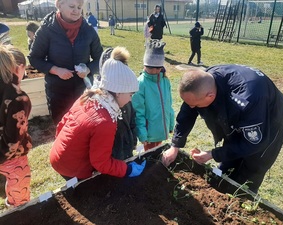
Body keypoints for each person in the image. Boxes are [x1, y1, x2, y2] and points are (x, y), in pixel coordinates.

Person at [162, 65, 283, 193]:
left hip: (269, 122)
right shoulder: (200, 83)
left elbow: (254, 143)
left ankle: (243, 197)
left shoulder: (246, 99)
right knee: (227, 163)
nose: (192, 106)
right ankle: (220, 188)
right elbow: (187, 113)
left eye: (195, 104)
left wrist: (213, 154)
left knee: (251, 170)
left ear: (210, 96)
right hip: (242, 113)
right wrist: (175, 145)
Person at [50, 46, 146, 180]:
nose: (131, 99)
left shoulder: (90, 96)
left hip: (58, 154)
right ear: (118, 92)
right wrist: (127, 169)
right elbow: (101, 163)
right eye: (130, 94)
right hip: (72, 167)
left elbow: (63, 123)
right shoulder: (105, 121)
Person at [28, 0, 103, 125]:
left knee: (83, 128)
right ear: (59, 5)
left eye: (79, 7)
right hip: (58, 92)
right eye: (72, 6)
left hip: (83, 90)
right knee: (62, 127)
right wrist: (55, 70)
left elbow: (100, 58)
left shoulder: (88, 30)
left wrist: (88, 69)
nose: (76, 11)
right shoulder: (47, 29)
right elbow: (34, 58)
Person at [0, 45, 32, 207]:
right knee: (19, 186)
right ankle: (17, 210)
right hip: (11, 157)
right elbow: (13, 141)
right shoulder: (18, 98)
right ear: (19, 68)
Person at [132, 40, 174, 151]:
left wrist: (170, 123)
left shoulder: (165, 81)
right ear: (145, 65)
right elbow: (138, 111)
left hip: (161, 129)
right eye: (150, 67)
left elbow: (169, 104)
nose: (154, 71)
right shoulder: (140, 83)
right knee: (150, 157)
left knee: (158, 153)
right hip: (149, 133)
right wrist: (142, 133)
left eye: (158, 68)